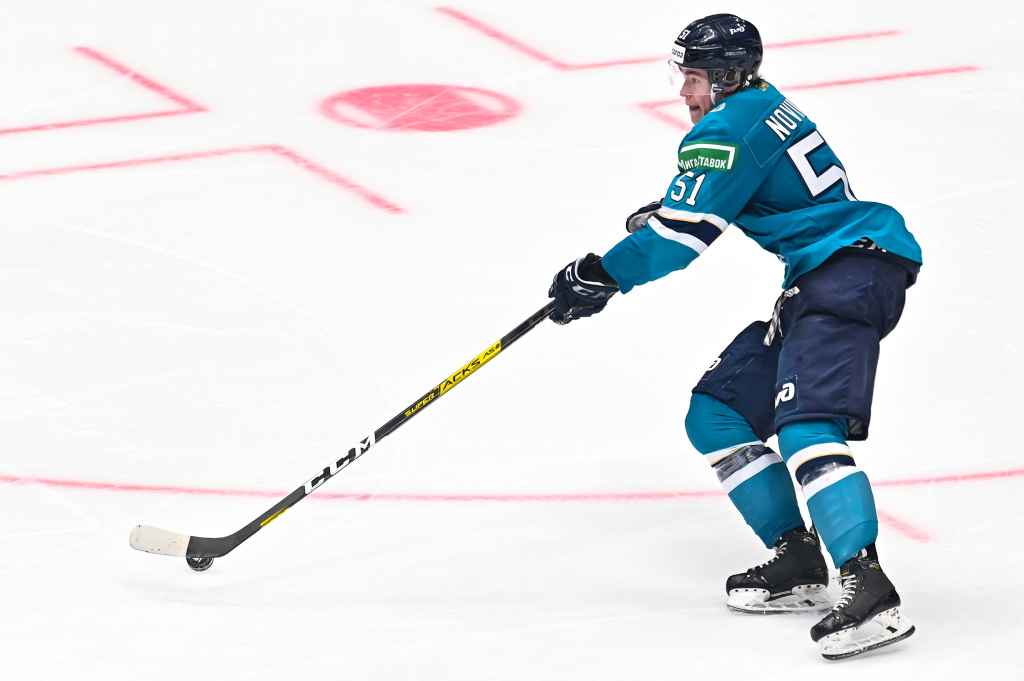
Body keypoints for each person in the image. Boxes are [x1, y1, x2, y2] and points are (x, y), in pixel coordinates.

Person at [546, 14, 921, 660]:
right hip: (830, 273)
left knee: (806, 424)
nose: (684, 92)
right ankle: (798, 558)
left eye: (692, 78)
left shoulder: (724, 128)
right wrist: (678, 212)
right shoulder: (759, 103)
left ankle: (868, 586)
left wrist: (602, 273)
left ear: (723, 78)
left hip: (847, 271)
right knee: (718, 412)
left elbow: (681, 239)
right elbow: (735, 191)